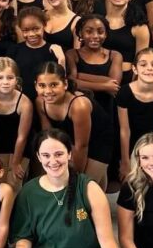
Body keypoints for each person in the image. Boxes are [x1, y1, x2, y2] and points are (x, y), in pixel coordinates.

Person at [0, 130, 128, 248]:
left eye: (59, 154)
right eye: (46, 155)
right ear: (38, 157)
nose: (53, 161)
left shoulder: (89, 188)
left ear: (69, 154)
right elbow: (24, 236)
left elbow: (106, 238)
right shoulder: (29, 191)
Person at [34, 62, 113, 190]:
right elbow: (49, 136)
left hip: (97, 142)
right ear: (35, 86)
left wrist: (75, 178)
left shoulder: (79, 106)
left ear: (65, 84)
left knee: (83, 187)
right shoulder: (40, 102)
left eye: (54, 85)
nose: (47, 91)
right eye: (42, 85)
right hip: (70, 140)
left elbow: (82, 146)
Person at [116, 48, 153, 179]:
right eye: (143, 64)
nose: (149, 68)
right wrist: (126, 161)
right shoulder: (124, 93)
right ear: (134, 69)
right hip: (130, 142)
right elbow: (124, 130)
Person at [0, 57, 33, 189]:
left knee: (13, 185)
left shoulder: (25, 103)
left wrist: (16, 162)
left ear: (17, 80)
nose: (5, 82)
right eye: (0, 78)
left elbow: (22, 136)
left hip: (19, 148)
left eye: (10, 78)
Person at [66, 13, 122, 119]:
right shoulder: (72, 54)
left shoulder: (114, 55)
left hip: (107, 107)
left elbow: (114, 85)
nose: (95, 36)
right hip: (80, 106)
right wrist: (104, 86)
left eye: (100, 32)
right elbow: (71, 83)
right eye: (89, 31)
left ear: (106, 34)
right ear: (80, 33)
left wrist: (80, 76)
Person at [103, 0, 150, 80]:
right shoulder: (99, 21)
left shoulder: (139, 26)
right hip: (99, 75)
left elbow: (142, 60)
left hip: (126, 77)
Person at [14, 7, 65, 102]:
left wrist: (61, 59)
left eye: (36, 29)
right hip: (21, 101)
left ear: (44, 26)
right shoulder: (15, 50)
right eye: (26, 30)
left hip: (47, 101)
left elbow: (62, 81)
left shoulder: (53, 50)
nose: (31, 34)